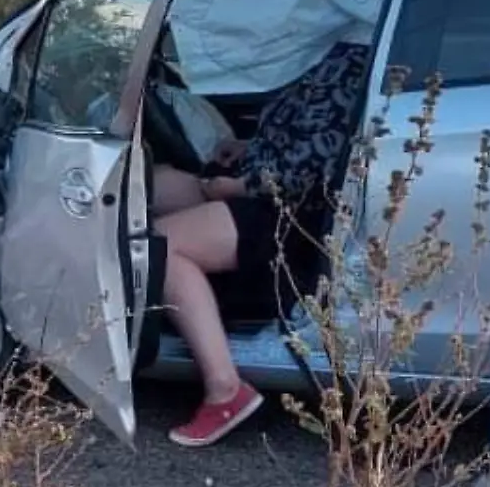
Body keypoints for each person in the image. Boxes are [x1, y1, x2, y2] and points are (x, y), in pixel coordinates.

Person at [149, 40, 373, 448]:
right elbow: (300, 139)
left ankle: (224, 390)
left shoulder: (350, 65)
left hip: (287, 212)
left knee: (162, 243)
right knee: (152, 184)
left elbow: (316, 167)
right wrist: (250, 148)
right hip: (262, 188)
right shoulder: (322, 53)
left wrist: (237, 185)